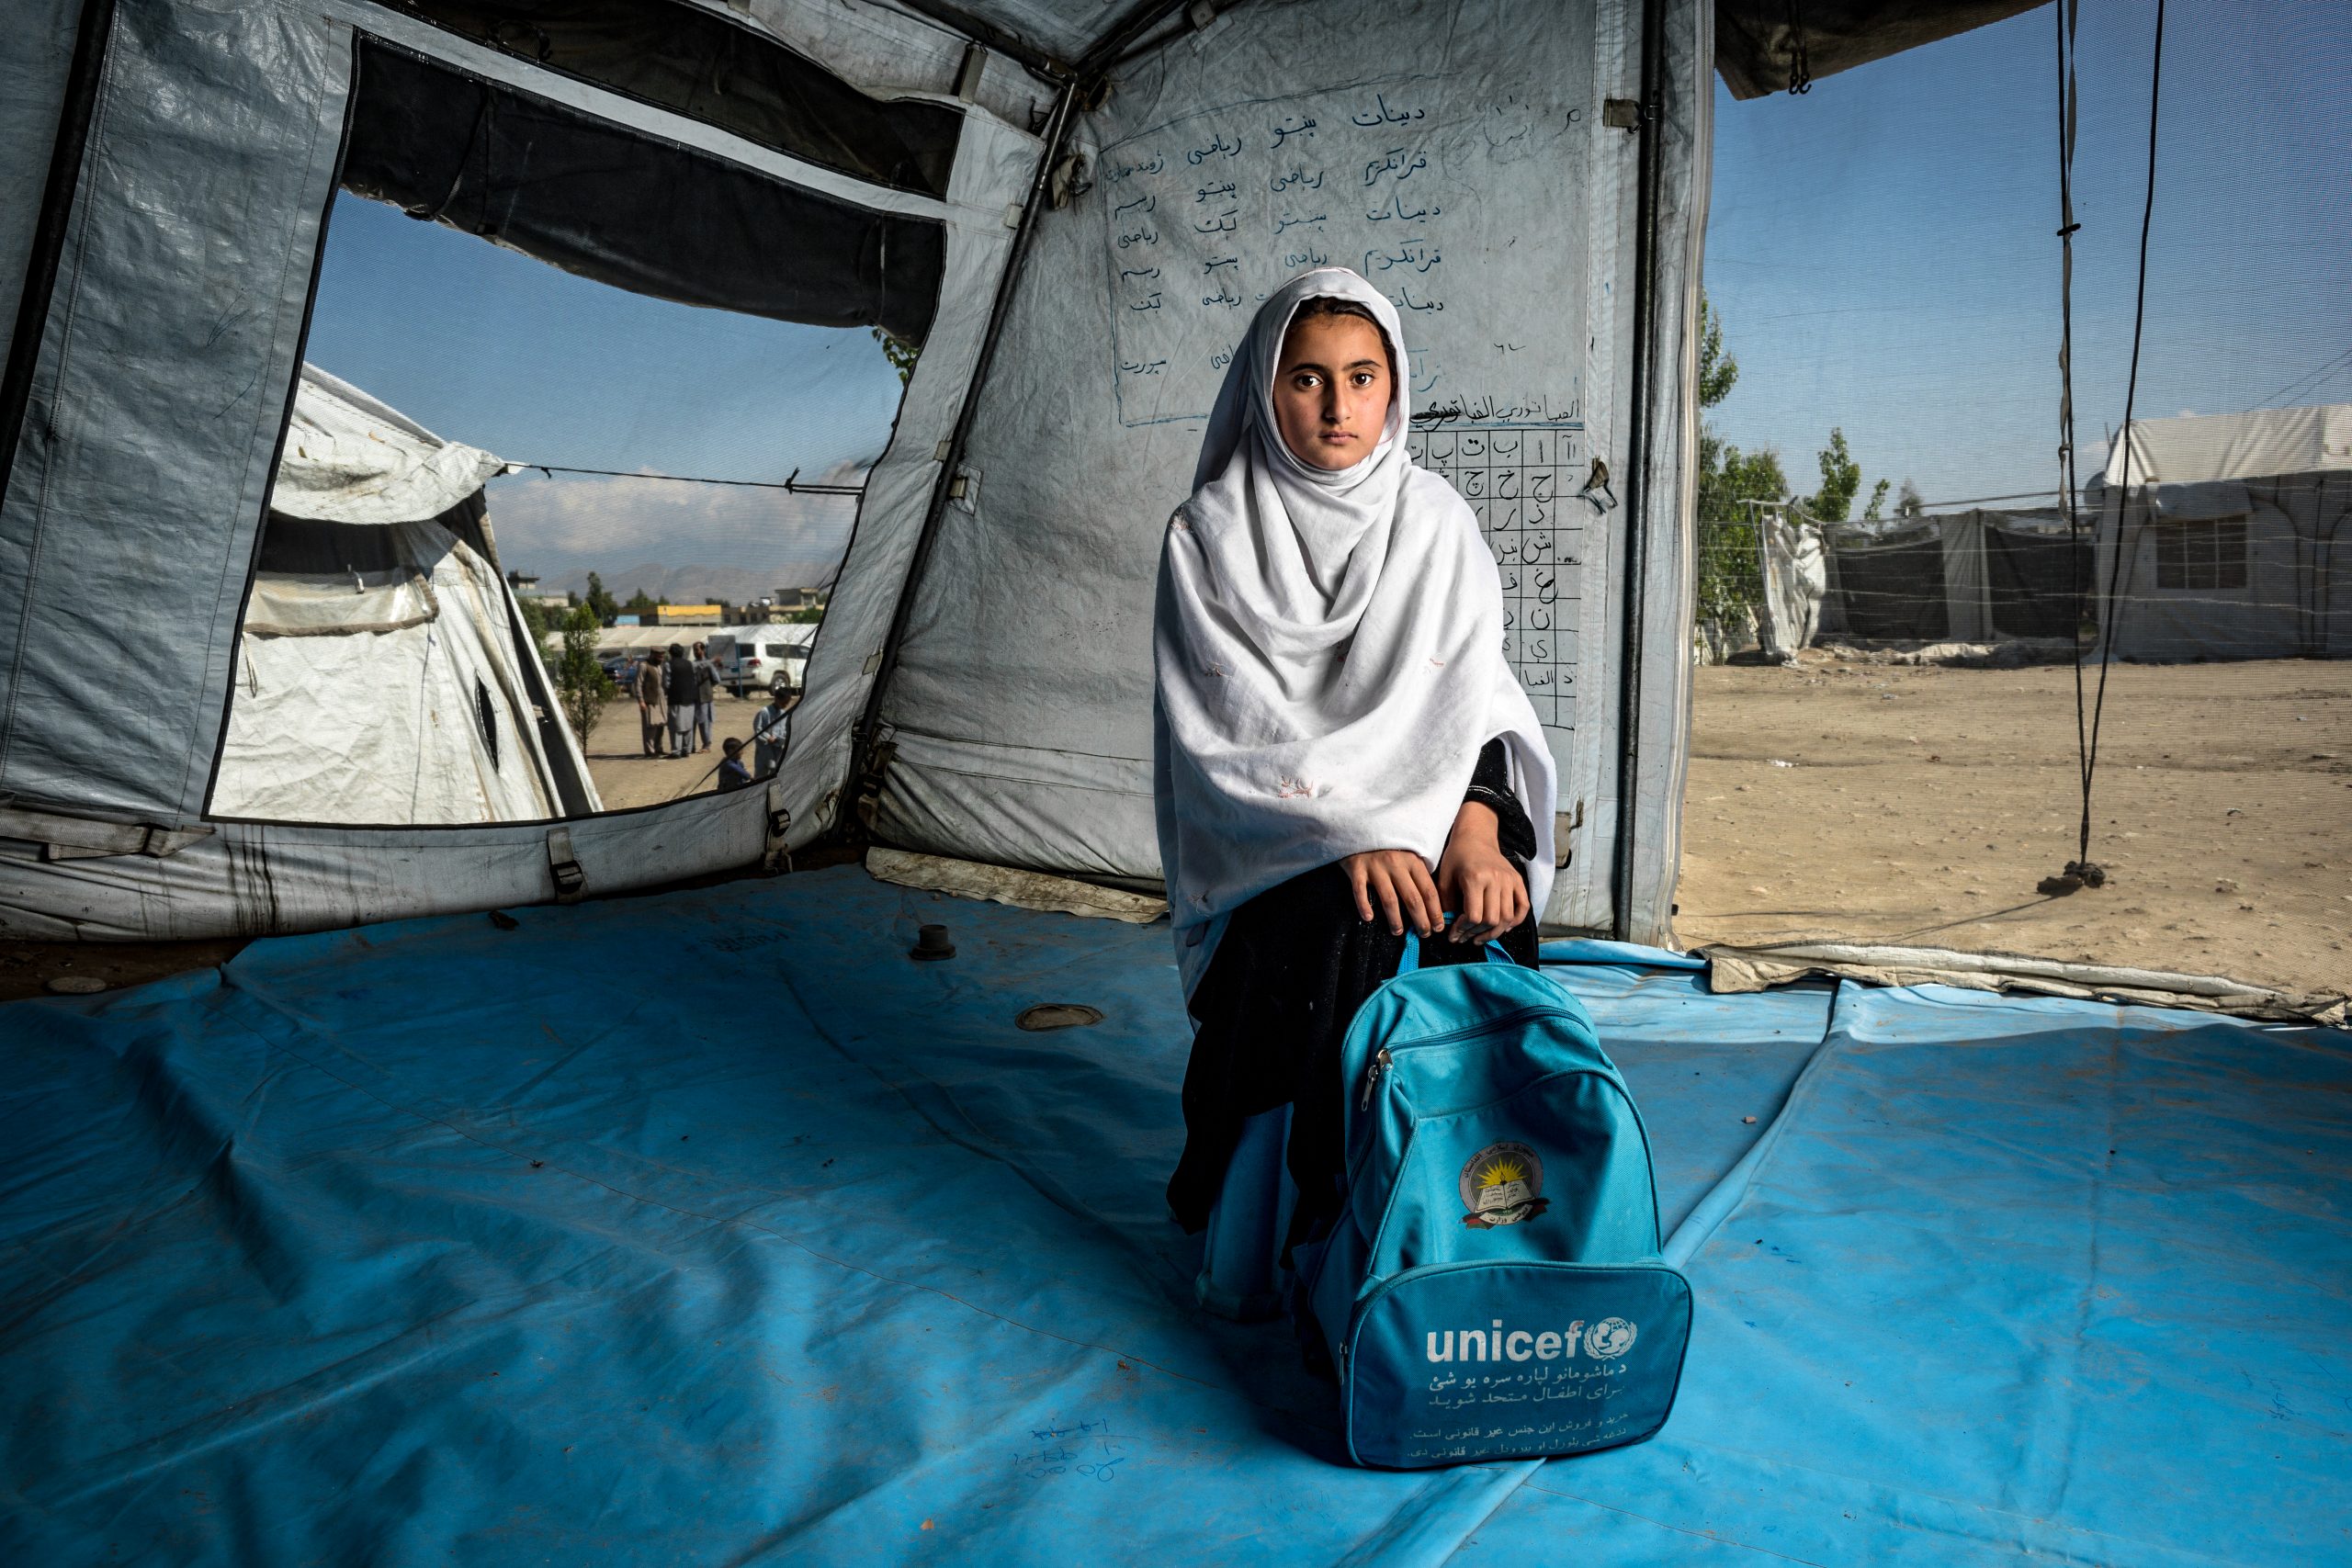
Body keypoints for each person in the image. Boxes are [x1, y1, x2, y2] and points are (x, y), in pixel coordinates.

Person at [1153, 268, 1555, 1277]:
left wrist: (1471, 826)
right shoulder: (1209, 536)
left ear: (1394, 388)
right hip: (1276, 846)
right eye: (1307, 379)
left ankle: (1464, 1200)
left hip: (1437, 816)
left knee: (1478, 906)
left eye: (1362, 377)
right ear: (1263, 387)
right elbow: (1223, 738)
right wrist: (1346, 835)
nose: (1338, 408)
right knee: (1345, 925)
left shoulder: (1434, 522)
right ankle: (1322, 1233)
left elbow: (1477, 706)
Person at [662, 641, 699, 758]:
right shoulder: (690, 664)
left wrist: (668, 691)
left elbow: (666, 683)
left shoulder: (668, 665)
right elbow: (694, 680)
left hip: (676, 699)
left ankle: (676, 751)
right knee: (688, 725)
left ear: (670, 653)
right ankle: (686, 749)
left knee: (676, 726)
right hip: (690, 699)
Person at [750, 686, 793, 778]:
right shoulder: (764, 712)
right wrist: (767, 737)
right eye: (783, 702)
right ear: (776, 699)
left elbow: (785, 731)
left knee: (776, 770)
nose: (785, 705)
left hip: (777, 748)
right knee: (762, 772)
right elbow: (758, 729)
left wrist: (779, 739)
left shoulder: (783, 714)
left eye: (787, 703)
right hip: (764, 747)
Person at [632, 648, 668, 758]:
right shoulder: (644, 665)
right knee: (650, 726)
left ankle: (658, 748)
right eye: (659, 656)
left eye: (662, 656)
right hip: (649, 700)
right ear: (652, 655)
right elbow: (638, 684)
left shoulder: (660, 665)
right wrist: (641, 701)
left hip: (661, 699)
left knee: (661, 724)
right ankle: (650, 751)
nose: (661, 659)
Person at [692, 641, 718, 753]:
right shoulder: (694, 664)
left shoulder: (708, 665)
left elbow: (716, 679)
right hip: (695, 698)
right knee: (697, 722)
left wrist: (707, 687)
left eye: (697, 649)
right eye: (694, 650)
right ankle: (693, 745)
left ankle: (706, 745)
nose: (695, 652)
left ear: (703, 650)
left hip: (705, 697)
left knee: (705, 722)